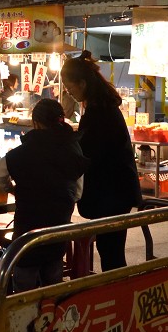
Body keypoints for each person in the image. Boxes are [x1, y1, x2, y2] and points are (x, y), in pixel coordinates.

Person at [0, 98, 89, 292]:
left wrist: (10, 188)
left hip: (27, 227)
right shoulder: (72, 146)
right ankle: (51, 318)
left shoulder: (24, 151)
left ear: (35, 123)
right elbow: (77, 190)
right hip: (58, 224)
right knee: (53, 279)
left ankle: (26, 320)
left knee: (24, 285)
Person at [61, 50, 142, 272]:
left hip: (111, 193)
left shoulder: (99, 111)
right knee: (111, 249)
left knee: (111, 252)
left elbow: (90, 152)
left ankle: (116, 296)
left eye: (70, 88)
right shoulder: (102, 106)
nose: (70, 93)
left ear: (83, 83)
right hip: (115, 191)